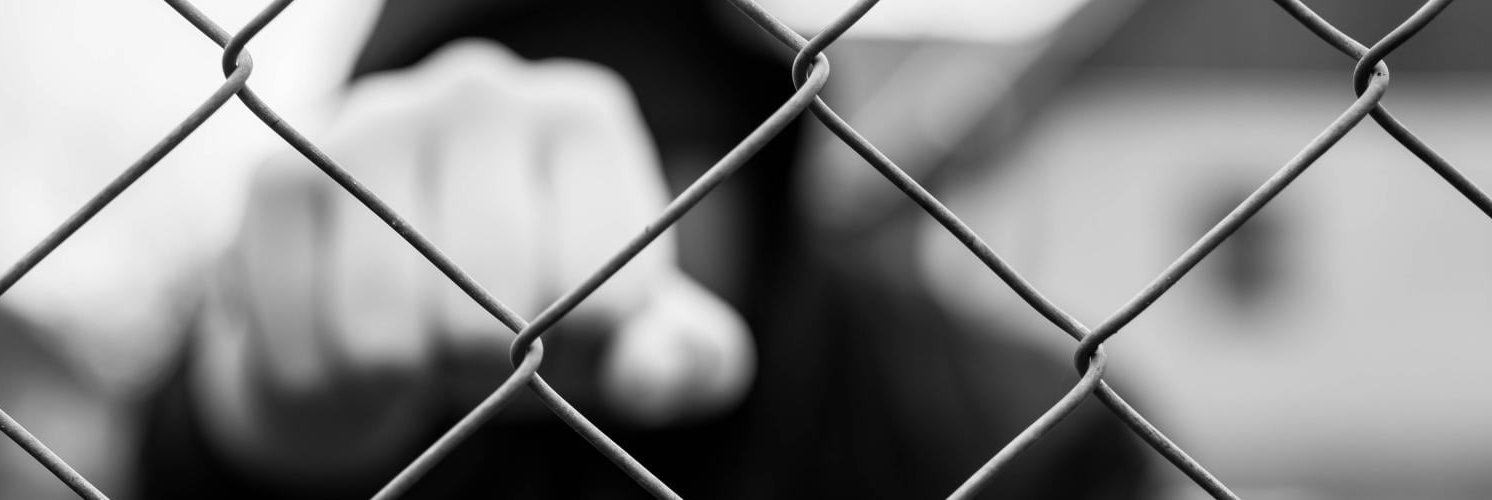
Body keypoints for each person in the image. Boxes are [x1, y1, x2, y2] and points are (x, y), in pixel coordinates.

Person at [136, 0, 1153, 498]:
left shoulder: (991, 417)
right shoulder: (402, 420)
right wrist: (253, 428)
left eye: (661, 143)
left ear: (755, 161)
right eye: (491, 167)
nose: (579, 223)